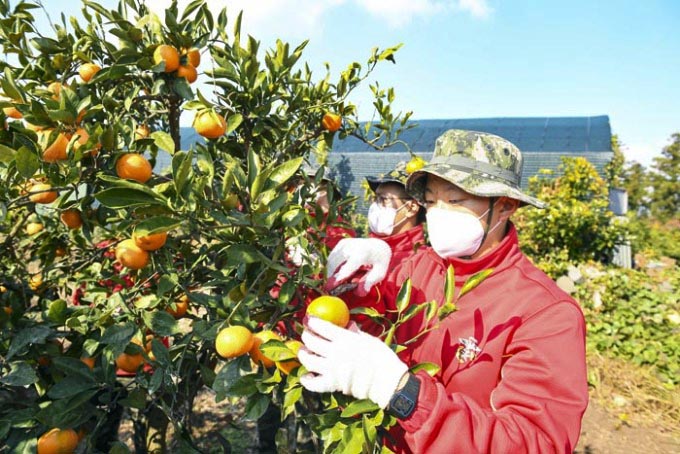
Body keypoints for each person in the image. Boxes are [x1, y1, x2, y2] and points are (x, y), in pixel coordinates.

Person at [297, 130, 589, 453]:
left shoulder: (546, 313)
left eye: (454, 200)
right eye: (433, 201)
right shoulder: (419, 269)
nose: (437, 213)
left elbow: (533, 443)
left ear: (504, 206)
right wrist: (355, 287)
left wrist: (405, 395)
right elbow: (364, 330)